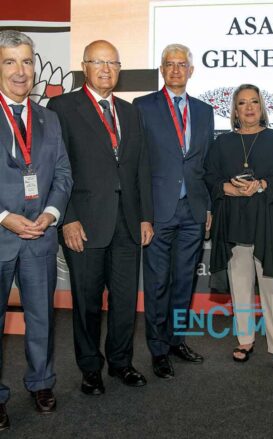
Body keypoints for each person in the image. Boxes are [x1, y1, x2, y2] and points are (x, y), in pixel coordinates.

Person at [47, 40, 154, 395]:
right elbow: (56, 168)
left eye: (112, 63)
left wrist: (145, 217)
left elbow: (140, 168)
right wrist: (67, 218)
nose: (106, 69)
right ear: (84, 66)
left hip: (127, 222)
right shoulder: (62, 106)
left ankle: (121, 363)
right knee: (87, 303)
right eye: (98, 62)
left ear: (120, 69)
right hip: (84, 224)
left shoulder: (130, 111)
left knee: (124, 302)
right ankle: (90, 368)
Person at [0, 30, 72, 428]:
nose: (20, 71)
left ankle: (42, 381)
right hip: (0, 232)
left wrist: (51, 213)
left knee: (41, 316)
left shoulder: (50, 117)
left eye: (27, 61)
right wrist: (4, 217)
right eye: (10, 61)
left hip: (41, 234)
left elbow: (63, 173)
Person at [133, 44, 214, 379]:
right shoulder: (142, 107)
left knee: (184, 283)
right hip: (159, 211)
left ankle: (176, 341)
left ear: (191, 71)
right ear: (162, 70)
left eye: (183, 64)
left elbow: (206, 164)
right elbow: (137, 163)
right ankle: (157, 349)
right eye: (170, 64)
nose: (177, 70)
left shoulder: (205, 110)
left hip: (193, 210)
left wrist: (208, 205)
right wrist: (143, 214)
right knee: (157, 285)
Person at [204, 84, 273, 374]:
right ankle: (245, 339)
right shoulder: (221, 144)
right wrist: (229, 189)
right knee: (240, 285)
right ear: (234, 110)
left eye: (254, 101)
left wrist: (262, 185)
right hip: (234, 222)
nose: (249, 107)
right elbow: (209, 176)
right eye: (242, 103)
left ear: (262, 107)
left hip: (269, 221)